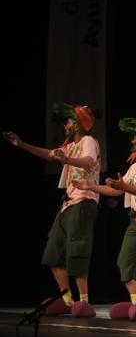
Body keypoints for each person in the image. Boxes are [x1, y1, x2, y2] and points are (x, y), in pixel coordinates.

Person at [4, 103, 99, 317]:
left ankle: (84, 301)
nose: (65, 124)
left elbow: (88, 161)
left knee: (77, 252)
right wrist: (21, 144)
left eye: (68, 121)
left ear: (77, 124)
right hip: (67, 205)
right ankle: (67, 300)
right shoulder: (70, 146)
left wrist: (67, 159)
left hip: (83, 202)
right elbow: (49, 154)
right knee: (53, 254)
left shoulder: (88, 141)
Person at [74, 117, 136, 321]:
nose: (135, 139)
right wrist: (89, 186)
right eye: (134, 136)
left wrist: (124, 187)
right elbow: (116, 190)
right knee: (125, 262)